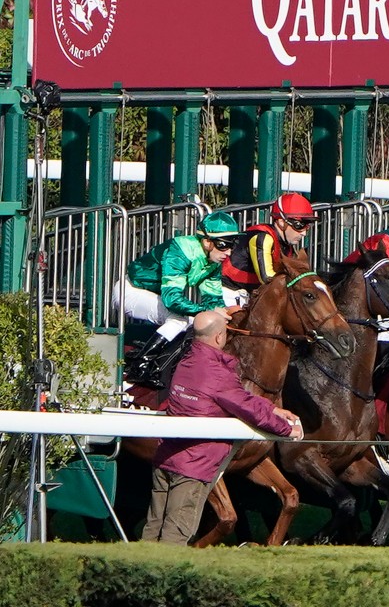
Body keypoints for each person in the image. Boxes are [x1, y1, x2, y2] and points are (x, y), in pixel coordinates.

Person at [141, 311, 303, 545]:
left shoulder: (186, 360)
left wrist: (273, 409)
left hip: (166, 459)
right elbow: (245, 406)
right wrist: (287, 429)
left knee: (152, 529)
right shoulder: (217, 373)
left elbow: (236, 395)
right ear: (218, 338)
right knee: (175, 537)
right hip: (192, 467)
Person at [116, 212, 242, 376]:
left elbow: (213, 301)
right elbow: (172, 300)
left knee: (196, 322)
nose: (229, 253)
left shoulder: (213, 262)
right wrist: (206, 311)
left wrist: (225, 314)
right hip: (130, 291)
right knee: (179, 319)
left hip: (153, 295)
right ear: (206, 241)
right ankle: (141, 364)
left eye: (233, 245)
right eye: (224, 245)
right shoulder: (179, 252)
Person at [221, 193, 318, 306]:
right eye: (299, 225)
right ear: (281, 222)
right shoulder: (262, 238)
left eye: (307, 226)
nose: (304, 233)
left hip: (250, 294)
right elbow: (267, 278)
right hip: (229, 292)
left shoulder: (287, 245)